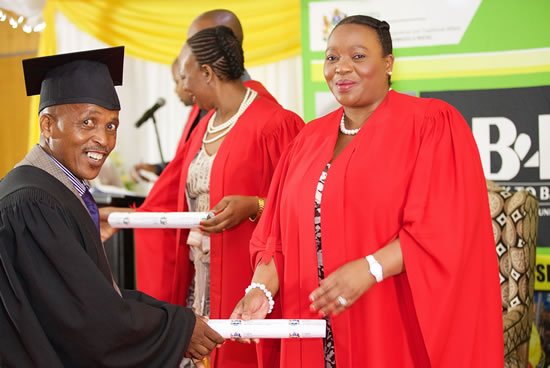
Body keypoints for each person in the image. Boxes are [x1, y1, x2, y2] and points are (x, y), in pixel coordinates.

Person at [231, 15, 504, 367]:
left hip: (388, 318)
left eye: (358, 56)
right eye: (332, 58)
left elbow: (446, 225)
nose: (342, 68)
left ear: (388, 64)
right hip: (313, 325)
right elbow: (277, 235)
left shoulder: (430, 124)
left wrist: (371, 268)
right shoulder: (307, 139)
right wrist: (261, 290)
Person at [0, 46, 224, 367]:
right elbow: (86, 320)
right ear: (48, 126)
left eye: (111, 125)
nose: (103, 140)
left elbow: (98, 296)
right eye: (88, 122)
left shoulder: (49, 192)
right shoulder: (33, 205)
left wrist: (172, 319)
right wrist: (176, 329)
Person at [101, 9, 277, 304]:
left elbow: (292, 207)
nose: (181, 84)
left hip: (245, 276)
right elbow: (174, 192)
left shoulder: (272, 121)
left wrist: (254, 205)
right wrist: (124, 218)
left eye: (196, 45)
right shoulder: (205, 120)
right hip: (200, 272)